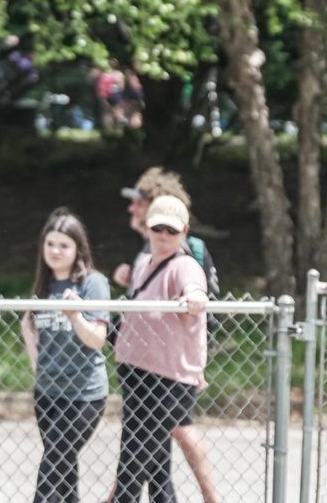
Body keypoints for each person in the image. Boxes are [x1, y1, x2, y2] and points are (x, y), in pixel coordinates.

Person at [113, 168, 220, 503]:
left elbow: (194, 285)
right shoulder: (144, 259)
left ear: (182, 231)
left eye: (169, 229)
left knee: (137, 455)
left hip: (170, 373)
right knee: (156, 461)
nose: (162, 233)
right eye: (156, 227)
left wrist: (194, 297)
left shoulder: (185, 260)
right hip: (138, 368)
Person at [20, 208, 109, 503]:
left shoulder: (92, 283)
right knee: (64, 473)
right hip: (47, 393)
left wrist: (76, 317)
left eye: (64, 245)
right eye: (50, 244)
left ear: (78, 248)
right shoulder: (45, 285)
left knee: (50, 471)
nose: (56, 251)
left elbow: (97, 339)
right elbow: (29, 324)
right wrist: (36, 360)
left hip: (83, 395)